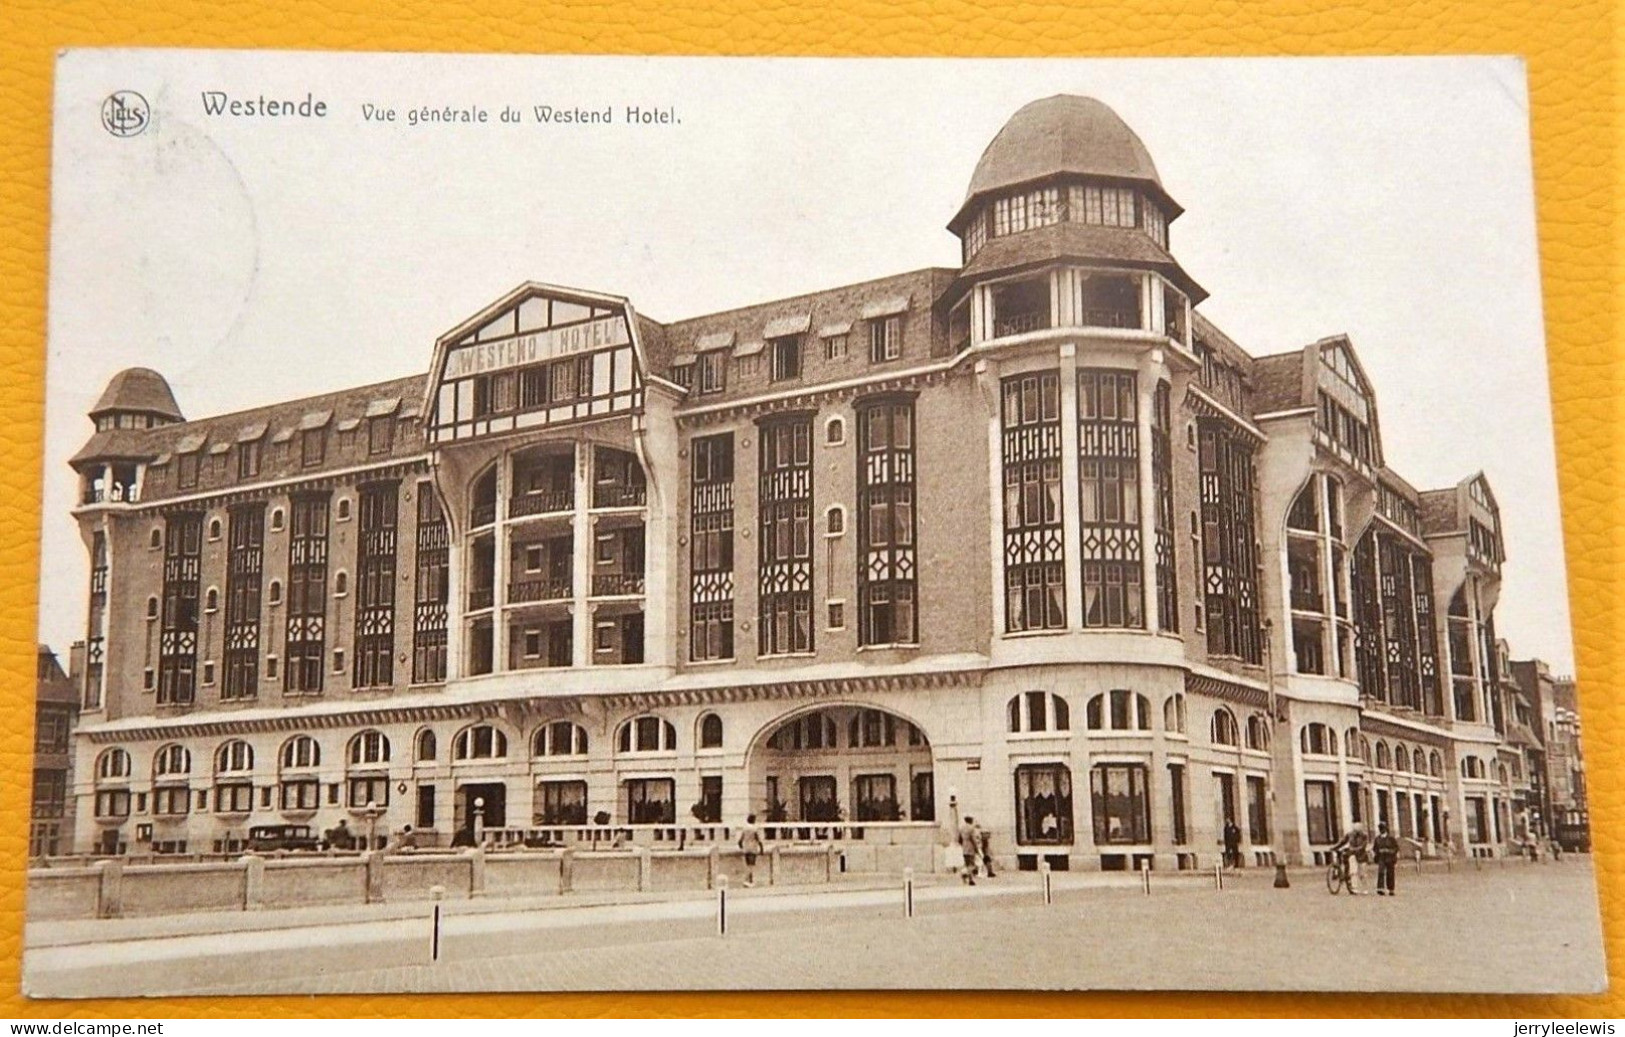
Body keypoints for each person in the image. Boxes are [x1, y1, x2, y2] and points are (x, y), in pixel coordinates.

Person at [1329, 821, 1372, 894]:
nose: (1355, 832)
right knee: (1353, 872)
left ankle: (1365, 888)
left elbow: (1363, 846)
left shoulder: (1364, 836)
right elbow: (1342, 842)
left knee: (1362, 873)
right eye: (1355, 830)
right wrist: (1334, 847)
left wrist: (1355, 849)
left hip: (1362, 856)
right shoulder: (1349, 834)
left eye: (1358, 831)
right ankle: (1354, 887)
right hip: (1352, 855)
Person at [1372, 822, 1400, 896]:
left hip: (1390, 858)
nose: (1381, 830)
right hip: (1381, 857)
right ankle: (1380, 888)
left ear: (1386, 829)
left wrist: (1389, 851)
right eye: (1380, 828)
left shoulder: (1391, 838)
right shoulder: (1377, 839)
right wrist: (1378, 851)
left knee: (1390, 873)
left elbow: (1396, 848)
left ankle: (1391, 889)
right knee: (1381, 872)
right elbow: (1375, 848)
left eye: (1383, 828)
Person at [738, 813, 765, 888]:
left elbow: (740, 841)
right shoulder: (755, 829)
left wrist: (741, 847)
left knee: (748, 865)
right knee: (751, 865)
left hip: (746, 848)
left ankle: (750, 880)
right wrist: (762, 849)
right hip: (753, 848)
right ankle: (747, 880)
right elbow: (758, 839)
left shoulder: (745, 828)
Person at [958, 816, 980, 885]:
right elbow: (973, 839)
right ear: (970, 821)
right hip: (970, 847)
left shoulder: (961, 828)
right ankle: (968, 877)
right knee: (971, 864)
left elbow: (959, 839)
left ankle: (966, 876)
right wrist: (976, 849)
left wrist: (963, 845)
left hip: (964, 847)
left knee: (967, 864)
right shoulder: (971, 828)